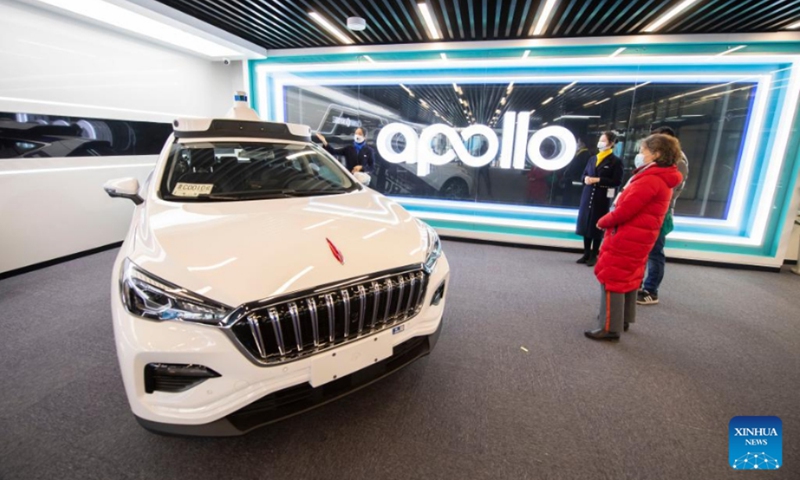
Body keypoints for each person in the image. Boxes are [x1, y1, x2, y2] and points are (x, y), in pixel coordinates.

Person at [584, 134, 684, 341]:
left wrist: (603, 221)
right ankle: (623, 319)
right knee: (630, 277)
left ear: (656, 154)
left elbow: (626, 209)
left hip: (628, 235)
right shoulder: (662, 177)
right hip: (640, 236)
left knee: (613, 278)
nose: (639, 155)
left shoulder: (650, 179)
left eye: (642, 151)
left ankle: (610, 327)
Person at [637, 126, 689, 305]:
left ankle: (651, 290)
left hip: (660, 213)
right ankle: (637, 285)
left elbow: (672, 190)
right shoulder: (654, 165)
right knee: (642, 250)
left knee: (655, 252)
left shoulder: (678, 163)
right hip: (647, 213)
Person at [575, 131, 623, 266]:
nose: (600, 143)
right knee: (585, 223)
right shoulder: (592, 158)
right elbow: (583, 175)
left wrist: (598, 179)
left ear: (611, 143)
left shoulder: (615, 161)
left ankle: (594, 254)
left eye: (603, 140)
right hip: (587, 194)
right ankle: (585, 253)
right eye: (600, 140)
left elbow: (616, 181)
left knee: (597, 225)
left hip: (601, 197)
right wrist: (586, 179)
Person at [561, 137, 591, 207]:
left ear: (583, 143)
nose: (577, 144)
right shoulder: (578, 153)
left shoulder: (585, 155)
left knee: (572, 198)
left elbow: (577, 167)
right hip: (571, 180)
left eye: (578, 142)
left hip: (576, 181)